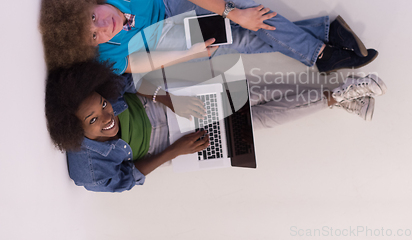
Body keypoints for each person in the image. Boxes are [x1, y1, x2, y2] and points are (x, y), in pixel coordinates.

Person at [44, 60, 387, 193]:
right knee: (257, 122)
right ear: (74, 132)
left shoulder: (100, 94)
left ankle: (342, 94)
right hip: (174, 145)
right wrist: (176, 150)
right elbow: (128, 177)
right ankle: (339, 97)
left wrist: (171, 100)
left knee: (253, 94)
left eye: (103, 106)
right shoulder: (87, 171)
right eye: (94, 120)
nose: (107, 117)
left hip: (168, 102)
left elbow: (133, 83)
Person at [39, 0, 378, 74]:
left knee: (251, 14)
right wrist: (188, 54)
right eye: (93, 36)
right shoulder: (104, 55)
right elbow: (137, 64)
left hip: (172, 5)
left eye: (93, 17)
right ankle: (323, 36)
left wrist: (234, 12)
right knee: (244, 37)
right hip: (165, 39)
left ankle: (321, 54)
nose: (102, 28)